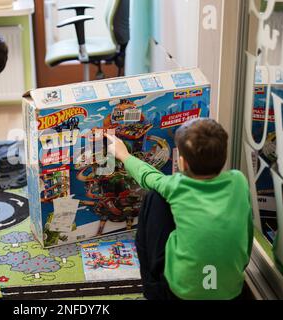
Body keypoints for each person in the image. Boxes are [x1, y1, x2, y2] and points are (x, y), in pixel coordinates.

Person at [105, 118, 254, 300]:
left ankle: (153, 292)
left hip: (181, 293)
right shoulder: (239, 182)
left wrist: (124, 155)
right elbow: (247, 237)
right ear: (224, 158)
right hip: (230, 291)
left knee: (155, 197)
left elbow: (148, 176)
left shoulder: (175, 186)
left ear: (182, 163)